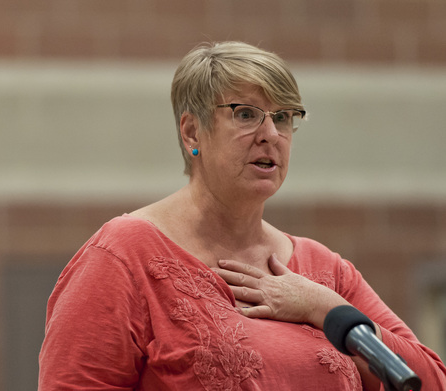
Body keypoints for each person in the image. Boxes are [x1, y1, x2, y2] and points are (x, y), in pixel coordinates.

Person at [38, 41, 446, 390]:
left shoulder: (325, 272)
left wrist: (322, 307)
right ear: (192, 132)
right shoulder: (123, 257)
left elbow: (429, 381)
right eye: (246, 114)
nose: (271, 133)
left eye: (284, 117)